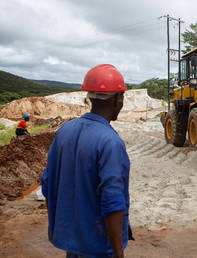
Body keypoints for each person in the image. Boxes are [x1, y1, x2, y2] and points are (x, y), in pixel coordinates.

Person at [41, 64, 132, 258]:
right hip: (98, 246)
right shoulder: (111, 142)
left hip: (73, 245)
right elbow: (112, 201)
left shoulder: (64, 131)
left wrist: (53, 226)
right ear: (118, 100)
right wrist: (118, 253)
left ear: (89, 97)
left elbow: (47, 184)